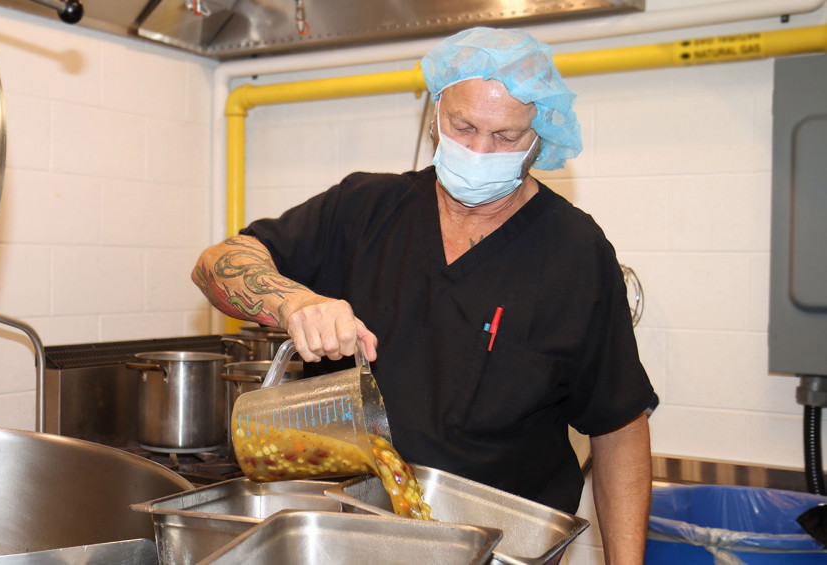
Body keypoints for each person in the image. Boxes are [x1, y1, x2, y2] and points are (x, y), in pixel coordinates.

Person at [193, 27, 654, 564]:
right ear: (436, 114)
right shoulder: (365, 210)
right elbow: (216, 265)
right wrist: (293, 302)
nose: (480, 151)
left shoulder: (575, 253)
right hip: (346, 540)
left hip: (500, 551)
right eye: (463, 127)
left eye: (505, 138)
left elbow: (618, 426)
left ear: (540, 138)